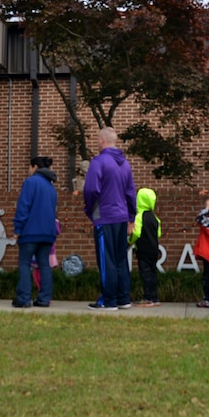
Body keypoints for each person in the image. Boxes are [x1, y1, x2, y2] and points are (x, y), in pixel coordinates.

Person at [82, 127, 137, 311]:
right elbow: (131, 193)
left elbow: (90, 189)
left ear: (102, 141)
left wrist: (90, 209)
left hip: (104, 216)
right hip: (121, 217)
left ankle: (108, 299)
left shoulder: (99, 162)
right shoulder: (125, 164)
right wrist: (131, 216)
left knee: (107, 260)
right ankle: (123, 298)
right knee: (121, 258)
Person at [12, 156, 59, 308]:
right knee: (44, 264)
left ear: (34, 167)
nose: (28, 170)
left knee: (25, 263)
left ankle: (24, 298)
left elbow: (23, 207)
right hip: (48, 233)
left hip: (30, 232)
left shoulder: (30, 182)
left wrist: (17, 229)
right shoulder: (51, 187)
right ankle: (44, 298)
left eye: (29, 167)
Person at [129, 187, 161, 308]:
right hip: (154, 249)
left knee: (145, 273)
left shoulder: (139, 216)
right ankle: (154, 297)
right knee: (153, 272)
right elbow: (159, 233)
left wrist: (129, 241)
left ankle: (147, 298)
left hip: (143, 250)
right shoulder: (155, 218)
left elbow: (136, 233)